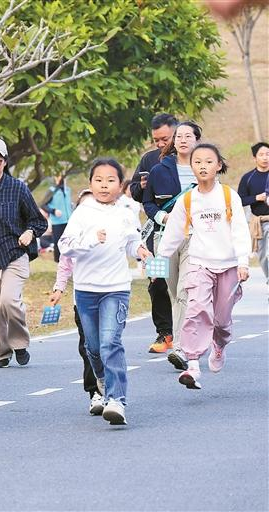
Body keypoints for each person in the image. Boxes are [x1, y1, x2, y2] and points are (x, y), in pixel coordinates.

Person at [59, 159, 151, 426]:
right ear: (90, 183)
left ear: (121, 185)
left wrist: (141, 251)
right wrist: (91, 240)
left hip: (116, 288)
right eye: (98, 180)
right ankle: (101, 377)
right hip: (86, 290)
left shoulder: (125, 212)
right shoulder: (83, 213)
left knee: (111, 342)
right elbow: (65, 247)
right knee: (94, 347)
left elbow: (132, 241)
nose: (104, 185)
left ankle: (116, 400)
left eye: (110, 180)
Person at [157, 144, 251, 389]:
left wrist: (243, 262)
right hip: (199, 263)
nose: (203, 166)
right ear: (192, 167)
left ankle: (219, 345)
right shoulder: (188, 199)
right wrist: (157, 266)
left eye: (208, 161)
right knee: (196, 309)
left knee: (220, 319)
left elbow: (240, 231)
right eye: (197, 162)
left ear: (218, 165)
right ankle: (193, 363)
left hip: (229, 265)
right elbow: (173, 235)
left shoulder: (229, 196)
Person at [0, 137, 48, 369]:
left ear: (5, 162)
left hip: (14, 253)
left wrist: (29, 232)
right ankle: (3, 348)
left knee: (8, 301)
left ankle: (19, 343)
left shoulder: (18, 188)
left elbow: (38, 222)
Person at [143, 121, 203, 370]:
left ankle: (180, 346)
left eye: (188, 136)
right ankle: (176, 337)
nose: (183, 140)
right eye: (179, 136)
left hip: (195, 238)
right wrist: (164, 217)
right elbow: (148, 203)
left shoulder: (204, 168)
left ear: (197, 140)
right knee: (169, 290)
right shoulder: (159, 169)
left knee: (185, 292)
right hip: (164, 238)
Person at [49, 189, 105, 416]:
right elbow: (65, 264)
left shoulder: (109, 231)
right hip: (82, 299)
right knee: (89, 347)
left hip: (110, 295)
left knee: (109, 345)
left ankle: (112, 390)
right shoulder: (73, 240)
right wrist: (58, 288)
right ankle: (95, 393)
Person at [129, 113, 177, 354]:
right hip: (155, 232)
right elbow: (134, 189)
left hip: (187, 233)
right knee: (157, 282)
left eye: (165, 139)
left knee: (185, 284)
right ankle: (165, 333)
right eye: (156, 140)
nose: (160, 144)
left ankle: (190, 333)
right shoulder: (148, 159)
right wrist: (142, 187)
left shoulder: (191, 160)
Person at [237, 142, 269, 282]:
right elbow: (240, 200)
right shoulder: (248, 178)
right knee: (262, 255)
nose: (265, 157)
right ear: (254, 158)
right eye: (261, 154)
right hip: (258, 222)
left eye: (268, 154)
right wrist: (257, 198)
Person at [43, 174, 72, 262]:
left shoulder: (68, 189)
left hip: (69, 221)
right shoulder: (52, 190)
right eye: (57, 176)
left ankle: (69, 261)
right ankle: (58, 262)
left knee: (69, 242)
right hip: (57, 222)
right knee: (58, 243)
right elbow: (43, 205)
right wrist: (53, 211)